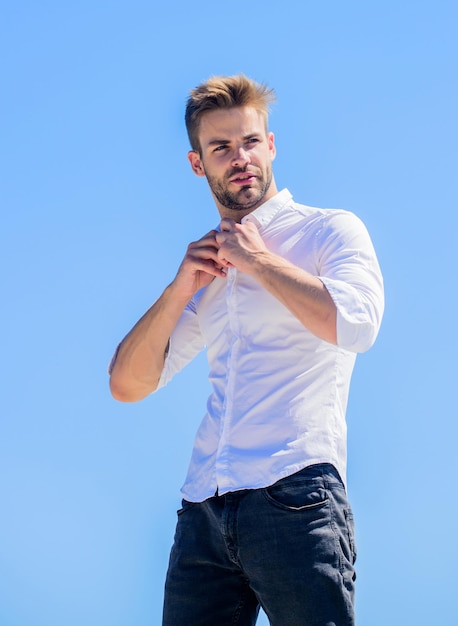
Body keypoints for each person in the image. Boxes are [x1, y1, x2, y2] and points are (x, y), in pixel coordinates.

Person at [109, 74, 384, 626]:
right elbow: (128, 384)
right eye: (221, 148)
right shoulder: (206, 270)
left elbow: (356, 325)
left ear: (271, 145)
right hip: (203, 511)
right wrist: (177, 290)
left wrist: (259, 261)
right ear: (198, 164)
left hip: (297, 494)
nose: (240, 158)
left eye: (250, 142)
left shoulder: (328, 231)